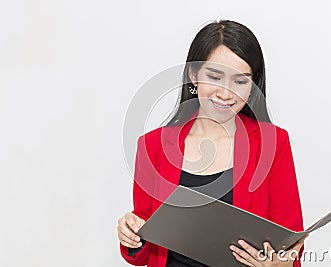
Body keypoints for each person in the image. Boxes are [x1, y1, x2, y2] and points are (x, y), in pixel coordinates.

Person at [117, 19, 307, 267]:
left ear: (252, 85)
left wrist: (280, 262)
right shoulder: (153, 147)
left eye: (240, 81)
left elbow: (291, 244)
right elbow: (143, 251)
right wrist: (131, 236)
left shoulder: (272, 144)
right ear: (194, 75)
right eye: (215, 77)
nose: (225, 93)